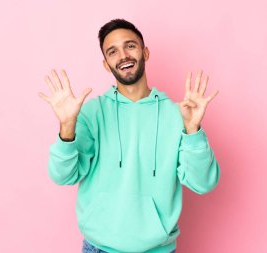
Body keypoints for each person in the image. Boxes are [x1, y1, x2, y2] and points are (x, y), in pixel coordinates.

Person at [38, 18, 220, 253]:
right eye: (112, 51)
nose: (123, 55)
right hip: (99, 248)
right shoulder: (92, 112)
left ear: (145, 52)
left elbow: (203, 183)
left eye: (130, 46)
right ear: (106, 64)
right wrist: (66, 126)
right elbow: (62, 176)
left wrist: (193, 130)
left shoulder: (178, 114)